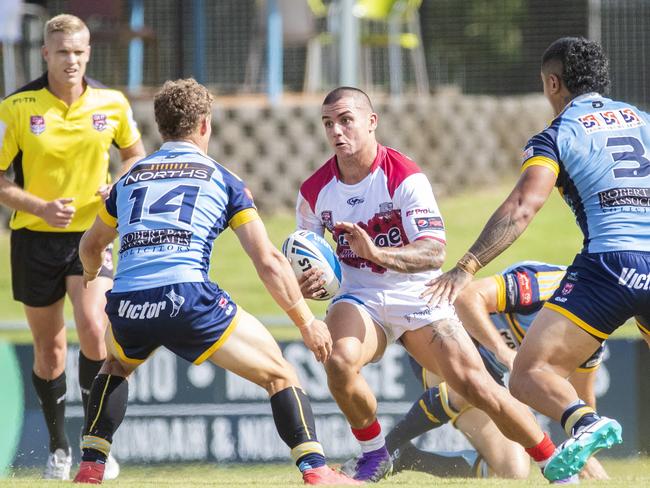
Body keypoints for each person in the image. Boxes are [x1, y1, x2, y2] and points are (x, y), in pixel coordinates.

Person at [72, 78, 359, 486]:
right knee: (280, 373)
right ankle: (316, 471)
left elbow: (91, 245)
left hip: (128, 302)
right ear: (204, 125)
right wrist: (305, 322)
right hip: (187, 298)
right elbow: (268, 261)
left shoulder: (129, 180)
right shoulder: (223, 179)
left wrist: (89, 274)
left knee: (115, 365)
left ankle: (90, 467)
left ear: (160, 127)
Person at [296, 86, 566, 483]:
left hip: (417, 294)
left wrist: (376, 254)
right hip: (360, 298)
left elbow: (433, 254)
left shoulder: (405, 176)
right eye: (328, 123)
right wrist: (309, 282)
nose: (337, 131)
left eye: (346, 120)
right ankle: (375, 455)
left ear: (372, 122)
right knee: (339, 363)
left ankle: (553, 463)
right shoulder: (314, 191)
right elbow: (306, 258)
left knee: (478, 387)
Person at [423, 37, 650, 481]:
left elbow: (522, 207)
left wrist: (467, 265)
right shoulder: (645, 120)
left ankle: (584, 421)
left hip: (608, 267)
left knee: (528, 374)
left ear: (553, 83)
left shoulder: (558, 134)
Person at [0, 14, 145, 480]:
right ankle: (59, 446)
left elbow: (135, 156)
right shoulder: (16, 107)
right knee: (50, 351)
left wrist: (117, 189)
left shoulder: (112, 102)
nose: (72, 60)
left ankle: (93, 448)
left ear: (89, 54)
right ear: (46, 54)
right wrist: (39, 207)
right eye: (63, 52)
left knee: (94, 329)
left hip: (92, 236)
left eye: (80, 51)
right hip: (34, 240)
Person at [383, 261, 608, 480]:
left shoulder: (594, 335)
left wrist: (585, 452)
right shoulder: (549, 283)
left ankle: (406, 457)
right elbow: (467, 297)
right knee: (475, 384)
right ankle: (382, 453)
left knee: (512, 471)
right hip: (444, 345)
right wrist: (502, 350)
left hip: (490, 376)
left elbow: (582, 399)